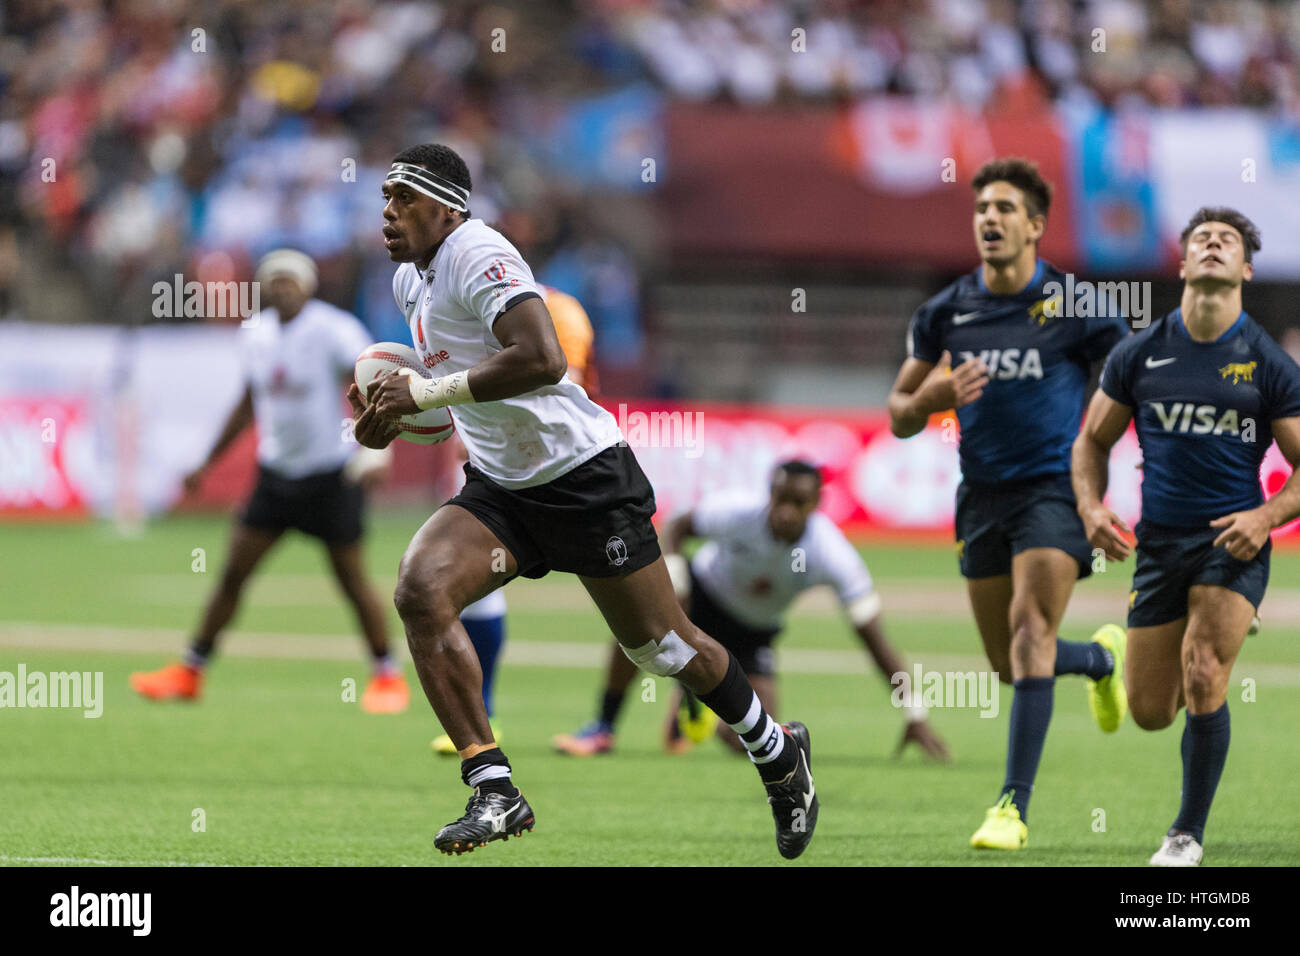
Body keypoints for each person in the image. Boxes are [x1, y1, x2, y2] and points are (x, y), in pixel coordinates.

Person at [354, 143, 818, 858]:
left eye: (402, 198)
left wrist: (423, 392)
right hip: (504, 490)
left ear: (447, 205)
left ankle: (777, 753)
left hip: (583, 479)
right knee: (421, 589)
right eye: (383, 198)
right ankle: (494, 788)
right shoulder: (408, 284)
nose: (387, 212)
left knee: (665, 649)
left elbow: (543, 360)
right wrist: (392, 416)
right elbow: (450, 396)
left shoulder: (477, 252)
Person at [886, 157, 1129, 851]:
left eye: (1004, 208)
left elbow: (1133, 378)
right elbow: (899, 412)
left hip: (1055, 489)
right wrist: (930, 400)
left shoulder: (1076, 307)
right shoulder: (945, 311)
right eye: (981, 208)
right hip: (981, 497)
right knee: (1009, 662)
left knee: (1029, 633)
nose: (989, 218)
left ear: (1035, 225)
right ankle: (1102, 661)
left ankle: (1010, 809)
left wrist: (1098, 477)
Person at [1072, 207, 1300, 866]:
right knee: (1150, 711)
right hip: (1159, 545)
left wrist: (1264, 517)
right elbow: (1092, 441)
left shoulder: (1267, 363)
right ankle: (1117, 658)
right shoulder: (1139, 353)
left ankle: (1185, 834)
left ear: (1246, 269)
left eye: (1227, 241)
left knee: (1205, 673)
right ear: (1182, 262)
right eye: (1201, 239)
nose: (1212, 246)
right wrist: (1090, 507)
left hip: (1234, 541)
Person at [130, 249, 410, 715]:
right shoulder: (255, 333)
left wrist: (377, 451)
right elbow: (248, 403)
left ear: (309, 285)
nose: (281, 287)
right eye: (273, 280)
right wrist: (206, 463)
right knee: (233, 574)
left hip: (329, 477)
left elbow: (370, 389)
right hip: (276, 476)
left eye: (290, 279)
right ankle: (190, 670)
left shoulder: (334, 330)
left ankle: (386, 674)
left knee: (351, 580)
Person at [553, 460, 950, 762]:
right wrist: (681, 582)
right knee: (640, 619)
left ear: (816, 504)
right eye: (780, 499)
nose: (786, 512)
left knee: (754, 739)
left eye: (799, 503)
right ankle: (603, 727)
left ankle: (693, 704)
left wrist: (914, 712)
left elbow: (874, 639)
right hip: (702, 599)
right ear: (769, 493)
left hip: (754, 633)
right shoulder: (740, 512)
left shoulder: (831, 554)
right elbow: (676, 527)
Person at [431, 284, 600, 755]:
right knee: (467, 584)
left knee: (637, 617)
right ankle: (485, 715)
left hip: (567, 466)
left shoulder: (560, 311)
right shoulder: (450, 304)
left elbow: (562, 384)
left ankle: (688, 688)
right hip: (490, 467)